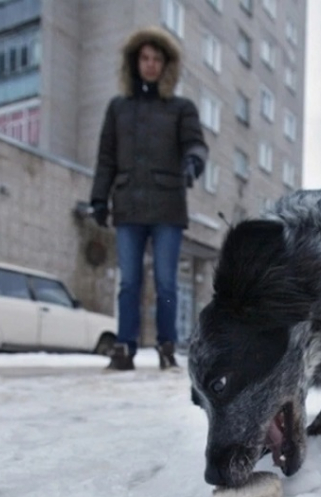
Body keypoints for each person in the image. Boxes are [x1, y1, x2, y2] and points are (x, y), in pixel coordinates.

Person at [89, 26, 209, 371]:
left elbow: (196, 143)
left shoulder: (180, 108)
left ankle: (166, 347)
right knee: (128, 281)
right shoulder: (118, 108)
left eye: (157, 58)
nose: (151, 64)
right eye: (145, 58)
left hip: (168, 207)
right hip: (127, 204)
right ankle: (124, 347)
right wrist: (99, 199)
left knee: (166, 281)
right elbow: (106, 157)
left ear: (166, 65)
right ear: (135, 62)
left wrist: (193, 163)